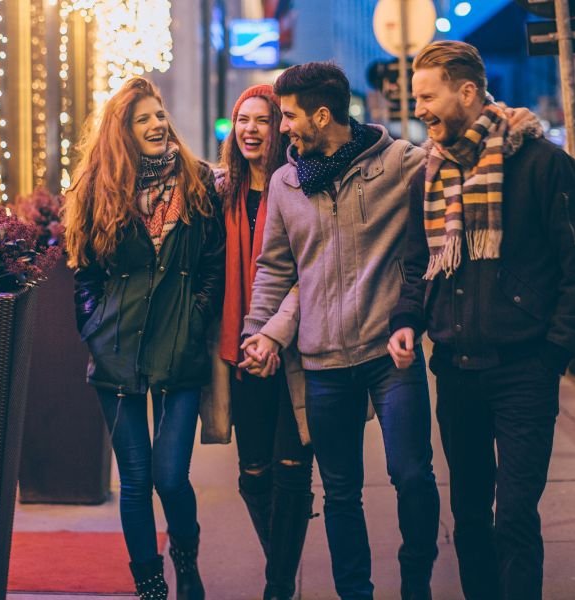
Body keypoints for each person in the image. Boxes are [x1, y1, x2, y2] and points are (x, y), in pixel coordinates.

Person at [388, 41, 575, 600]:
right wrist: (408, 319)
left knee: (513, 514)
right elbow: (418, 266)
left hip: (523, 371)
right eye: (417, 99)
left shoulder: (543, 166)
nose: (421, 110)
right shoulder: (429, 178)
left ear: (467, 92)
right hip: (455, 374)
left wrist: (552, 356)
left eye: (429, 97)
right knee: (469, 515)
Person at [239, 61, 441, 600]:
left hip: (388, 353)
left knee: (412, 475)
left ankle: (416, 581)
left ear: (322, 115)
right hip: (322, 364)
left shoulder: (400, 163)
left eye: (288, 116)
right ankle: (357, 592)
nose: (283, 128)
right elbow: (276, 269)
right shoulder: (286, 183)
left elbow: (458, 156)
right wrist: (258, 332)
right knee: (341, 493)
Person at [64, 76, 224, 600]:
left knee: (170, 475)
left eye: (160, 115)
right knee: (134, 480)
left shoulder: (199, 184)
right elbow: (84, 273)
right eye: (143, 119)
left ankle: (187, 559)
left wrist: (195, 319)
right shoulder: (98, 190)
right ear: (123, 132)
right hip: (118, 351)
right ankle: (151, 586)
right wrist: (94, 327)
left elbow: (212, 268)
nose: (157, 125)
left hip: (179, 350)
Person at [206, 84, 314, 599]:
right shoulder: (220, 191)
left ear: (280, 127)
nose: (250, 129)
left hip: (295, 349)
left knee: (292, 474)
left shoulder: (300, 185)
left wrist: (274, 332)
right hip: (240, 349)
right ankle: (283, 571)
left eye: (263, 120)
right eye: (242, 119)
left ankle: (278, 587)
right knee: (253, 476)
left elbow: (307, 269)